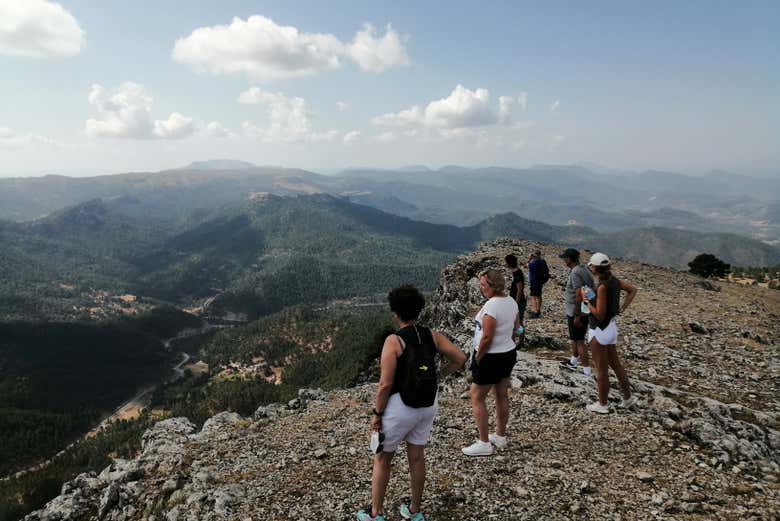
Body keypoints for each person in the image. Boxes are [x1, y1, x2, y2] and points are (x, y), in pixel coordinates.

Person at [358, 285, 466, 521]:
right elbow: (460, 358)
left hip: (400, 408)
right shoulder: (432, 335)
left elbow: (385, 385)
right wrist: (439, 376)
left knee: (382, 459)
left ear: (395, 313)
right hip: (427, 405)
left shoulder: (394, 341)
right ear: (418, 310)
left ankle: (375, 513)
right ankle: (415, 511)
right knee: (416, 457)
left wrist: (377, 414)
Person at [462, 269, 520, 456]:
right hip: (508, 353)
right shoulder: (511, 301)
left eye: (484, 285)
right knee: (501, 395)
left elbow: (486, 337)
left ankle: (484, 442)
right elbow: (517, 328)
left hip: (490, 357)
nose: (481, 288)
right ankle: (500, 436)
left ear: (494, 286)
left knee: (476, 396)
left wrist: (478, 358)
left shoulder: (491, 306)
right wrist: (510, 341)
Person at [580, 253, 639, 414]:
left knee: (601, 370)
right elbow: (633, 290)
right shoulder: (614, 281)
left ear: (595, 268)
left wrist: (586, 301)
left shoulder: (602, 286)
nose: (590, 268)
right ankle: (627, 398)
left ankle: (602, 404)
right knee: (617, 366)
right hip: (611, 328)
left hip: (599, 330)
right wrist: (622, 307)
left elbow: (599, 314)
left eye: (591, 266)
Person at [558, 248, 594, 376]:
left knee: (579, 341)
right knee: (575, 338)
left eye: (564, 258)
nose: (563, 260)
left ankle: (586, 371)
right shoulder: (584, 269)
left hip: (576, 311)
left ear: (569, 259)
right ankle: (573, 361)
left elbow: (579, 294)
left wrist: (577, 315)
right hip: (584, 309)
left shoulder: (575, 273)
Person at [505, 254, 526, 345]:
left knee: (518, 323)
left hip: (518, 302)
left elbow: (519, 290)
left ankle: (520, 341)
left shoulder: (517, 274)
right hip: (515, 301)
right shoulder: (516, 272)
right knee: (514, 322)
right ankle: (514, 341)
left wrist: (516, 303)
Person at [527, 250, 549, 318]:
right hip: (540, 281)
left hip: (534, 281)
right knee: (539, 296)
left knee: (533, 296)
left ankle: (535, 311)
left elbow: (527, 265)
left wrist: (529, 259)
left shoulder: (534, 263)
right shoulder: (542, 261)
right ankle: (538, 310)